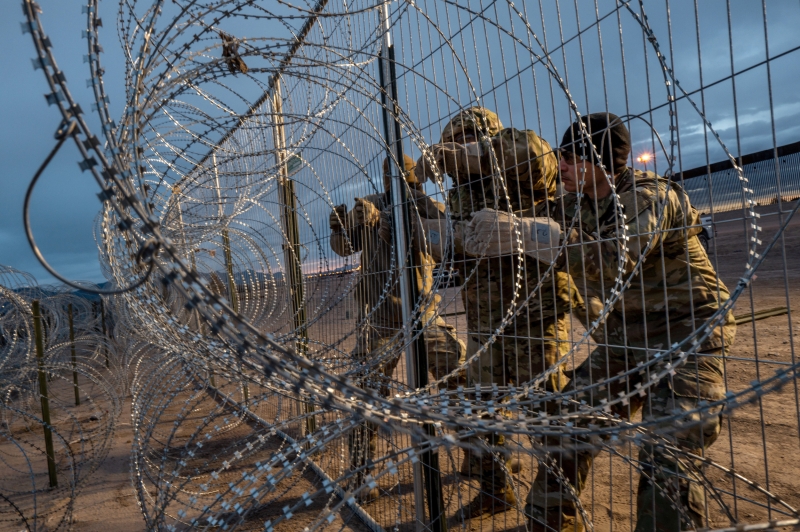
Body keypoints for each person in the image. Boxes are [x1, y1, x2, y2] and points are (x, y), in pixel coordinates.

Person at [463, 113, 736, 532]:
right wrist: (455, 228)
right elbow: (532, 215)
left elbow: (612, 260)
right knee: (567, 426)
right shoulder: (576, 202)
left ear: (599, 161)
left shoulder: (650, 198)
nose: (563, 166)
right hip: (626, 336)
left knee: (667, 450)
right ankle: (551, 521)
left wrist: (529, 235)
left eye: (571, 157)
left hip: (689, 333)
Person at [413, 107, 583, 517]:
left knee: (549, 417)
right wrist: (430, 233)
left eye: (461, 142)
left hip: (535, 316)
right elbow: (457, 243)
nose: (452, 159)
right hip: (486, 320)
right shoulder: (461, 193)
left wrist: (475, 153)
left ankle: (556, 512)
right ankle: (495, 490)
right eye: (447, 148)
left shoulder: (522, 164)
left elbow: (534, 155)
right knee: (482, 411)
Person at [329, 154, 467, 501]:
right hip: (380, 321)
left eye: (404, 176)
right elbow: (346, 248)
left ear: (417, 179)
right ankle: (362, 477)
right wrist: (340, 229)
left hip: (422, 315)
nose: (398, 182)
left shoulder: (429, 209)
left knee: (460, 379)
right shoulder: (369, 205)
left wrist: (382, 222)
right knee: (365, 397)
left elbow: (430, 241)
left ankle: (480, 458)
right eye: (391, 176)